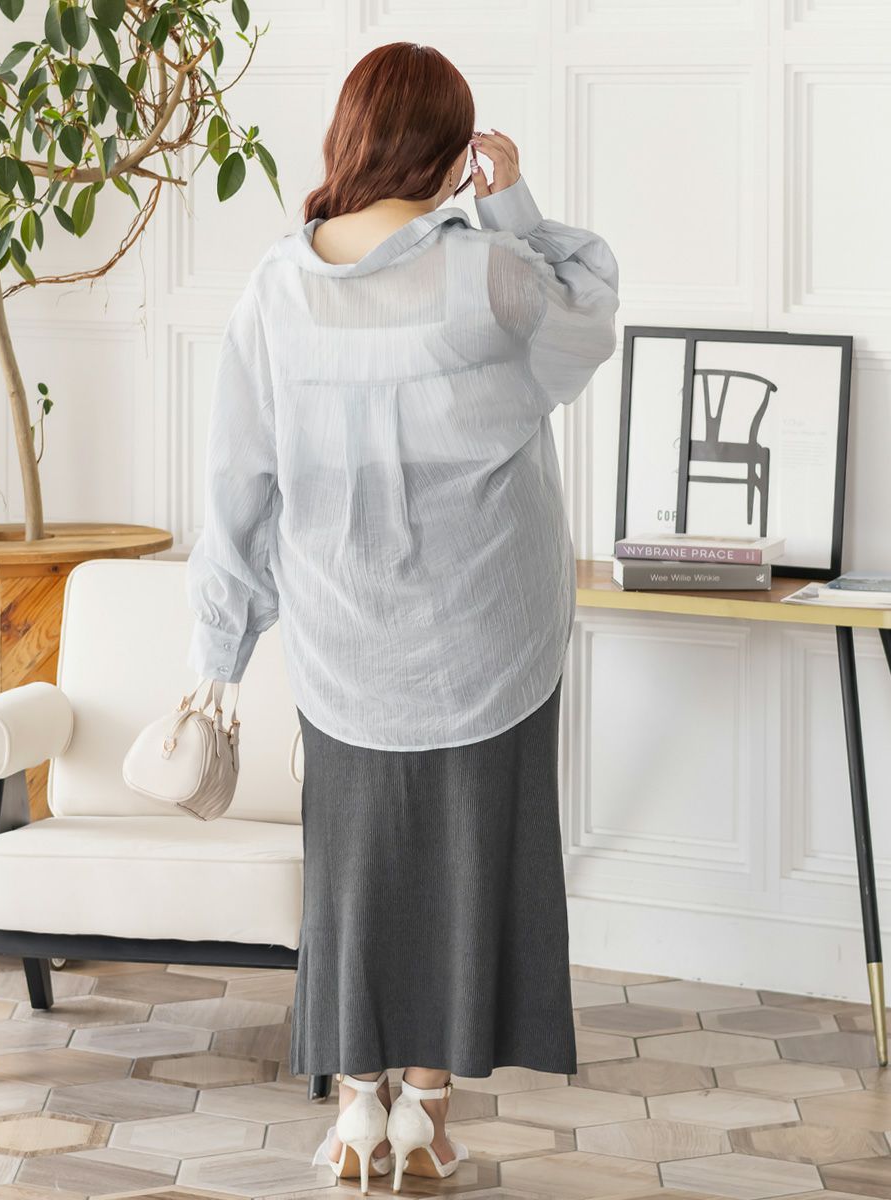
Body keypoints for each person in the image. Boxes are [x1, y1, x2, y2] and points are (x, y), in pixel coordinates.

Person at [186, 40, 619, 1197]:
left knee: (356, 878)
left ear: (351, 136)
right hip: (490, 638)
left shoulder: (275, 291)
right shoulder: (492, 274)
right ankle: (425, 1118)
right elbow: (589, 319)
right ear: (446, 150)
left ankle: (353, 1116)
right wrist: (511, 198)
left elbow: (235, 481)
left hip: (345, 647)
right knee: (471, 872)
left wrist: (219, 645)